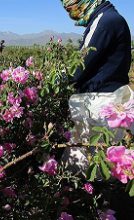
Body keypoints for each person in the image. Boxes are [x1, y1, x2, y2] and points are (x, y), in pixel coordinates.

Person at [60, 1, 134, 219]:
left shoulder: (105, 20)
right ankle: (102, 208)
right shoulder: (106, 18)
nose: (70, 11)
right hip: (104, 100)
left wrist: (56, 85)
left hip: (99, 102)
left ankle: (96, 211)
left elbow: (81, 64)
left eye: (71, 4)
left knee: (89, 164)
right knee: (99, 163)